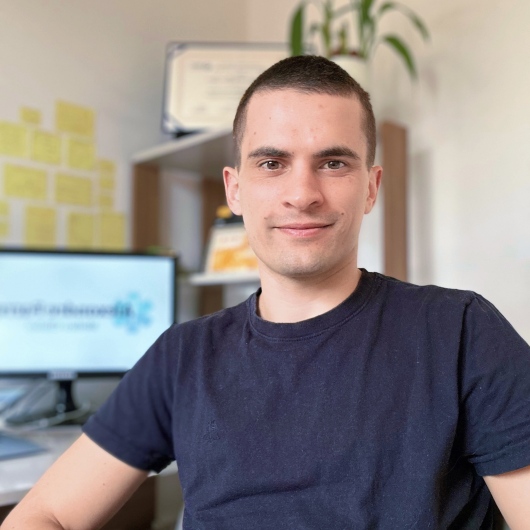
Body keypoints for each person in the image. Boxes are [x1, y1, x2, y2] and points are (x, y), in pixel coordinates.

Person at [2, 55, 530, 530]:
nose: (302, 194)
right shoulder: (182, 356)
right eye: (272, 163)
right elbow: (47, 514)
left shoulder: (461, 332)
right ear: (235, 189)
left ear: (371, 187)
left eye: (333, 163)